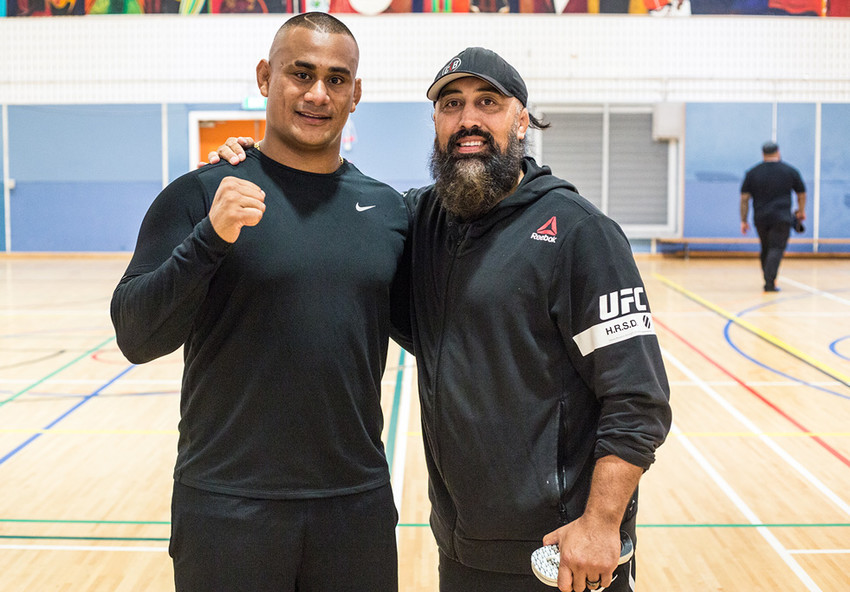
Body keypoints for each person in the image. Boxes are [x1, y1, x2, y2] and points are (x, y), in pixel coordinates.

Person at [213, 47, 671, 592]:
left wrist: (601, 525)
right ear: (435, 121)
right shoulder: (424, 220)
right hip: (462, 548)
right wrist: (263, 159)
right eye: (451, 104)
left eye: (488, 103)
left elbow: (638, 398)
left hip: (563, 552)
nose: (468, 120)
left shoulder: (578, 234)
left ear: (521, 120)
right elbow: (338, 220)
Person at [111, 13, 411, 592]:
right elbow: (135, 335)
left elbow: (440, 329)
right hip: (226, 508)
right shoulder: (200, 194)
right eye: (300, 74)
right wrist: (209, 240)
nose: (317, 94)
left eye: (336, 79)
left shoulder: (388, 211)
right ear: (265, 77)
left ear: (356, 94)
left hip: (355, 506)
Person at [740, 141, 806, 292]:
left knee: (765, 248)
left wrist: (743, 220)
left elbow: (744, 198)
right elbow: (801, 193)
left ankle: (768, 278)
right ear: (778, 152)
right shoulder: (790, 171)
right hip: (782, 217)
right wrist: (800, 211)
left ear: (763, 154)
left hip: (760, 217)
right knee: (776, 248)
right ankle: (770, 282)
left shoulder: (752, 173)